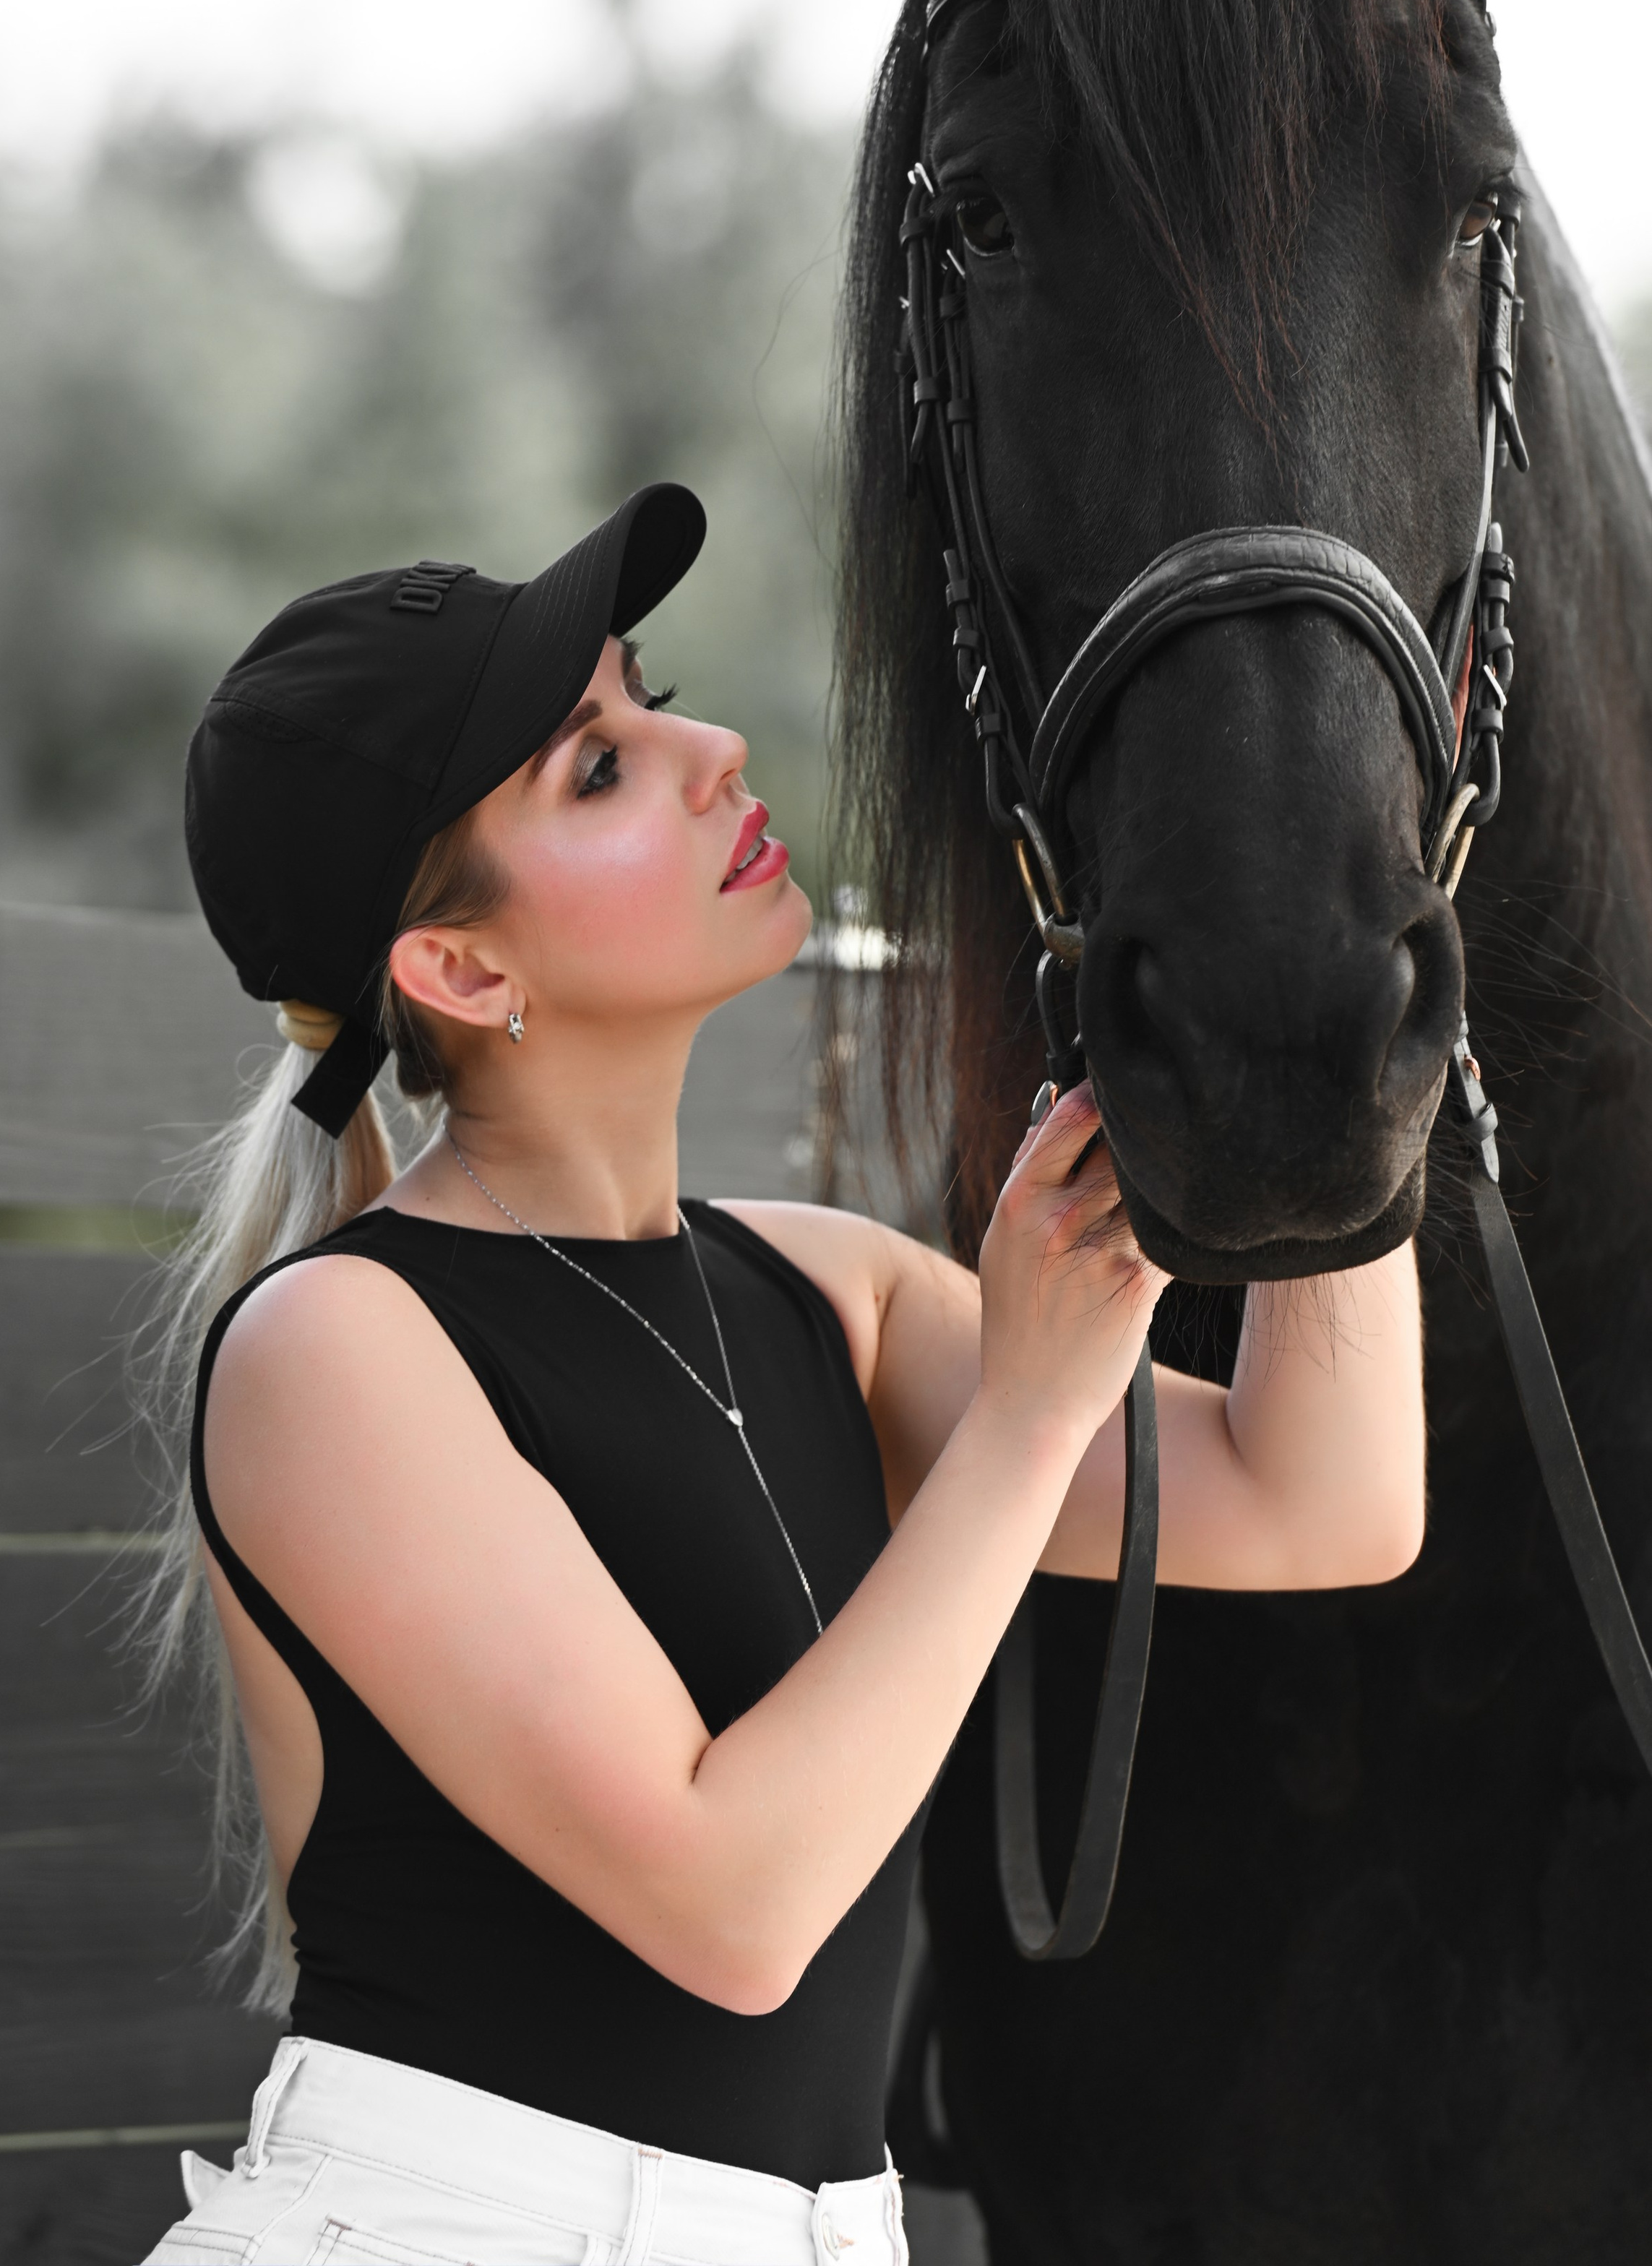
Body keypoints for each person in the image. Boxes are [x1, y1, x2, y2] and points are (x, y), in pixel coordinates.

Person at [134, 483, 1424, 2266]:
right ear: (457, 966)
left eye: (648, 695)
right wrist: (1030, 1413)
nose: (711, 749)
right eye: (598, 767)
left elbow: (1321, 1500)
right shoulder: (334, 1350)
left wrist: (1325, 971)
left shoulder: (822, 1289)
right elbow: (731, 1909)